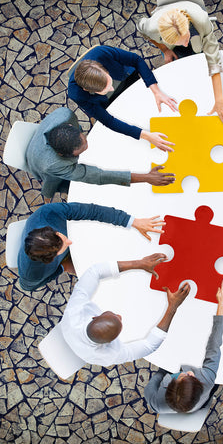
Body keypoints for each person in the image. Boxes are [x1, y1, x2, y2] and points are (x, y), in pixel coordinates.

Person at [60, 254, 190, 367]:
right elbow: (150, 346)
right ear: (110, 343)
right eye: (119, 319)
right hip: (71, 341)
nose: (119, 315)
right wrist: (172, 307)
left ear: (93, 318)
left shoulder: (74, 313)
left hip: (70, 334)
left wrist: (140, 263)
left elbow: (94, 271)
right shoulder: (108, 355)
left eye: (113, 314)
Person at [25, 107, 175, 199]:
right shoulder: (53, 164)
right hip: (39, 164)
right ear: (62, 155)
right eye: (80, 152)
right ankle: (48, 192)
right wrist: (146, 177)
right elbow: (98, 176)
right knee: (56, 182)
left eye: (84, 140)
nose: (87, 147)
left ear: (70, 126)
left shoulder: (65, 114)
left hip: (42, 137)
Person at [17, 202, 165, 292]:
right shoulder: (31, 273)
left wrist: (133, 222)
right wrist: (63, 268)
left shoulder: (47, 212)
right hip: (69, 260)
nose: (69, 242)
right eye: (63, 246)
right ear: (51, 259)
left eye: (62, 237)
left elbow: (92, 211)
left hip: (81, 236)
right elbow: (28, 286)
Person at [137, 1, 223, 126]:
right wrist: (165, 49)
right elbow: (143, 32)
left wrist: (219, 100)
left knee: (200, 53)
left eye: (186, 38)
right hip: (171, 46)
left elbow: (214, 61)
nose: (186, 44)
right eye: (180, 42)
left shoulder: (202, 21)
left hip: (197, 34)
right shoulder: (150, 27)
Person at [144, 279, 223, 414]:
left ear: (169, 387)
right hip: (198, 403)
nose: (188, 372)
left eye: (181, 376)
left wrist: (164, 370)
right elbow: (214, 344)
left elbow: (154, 381)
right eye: (192, 377)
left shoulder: (157, 403)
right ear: (199, 385)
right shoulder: (207, 379)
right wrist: (222, 304)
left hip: (186, 395)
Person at [68, 45, 177, 151]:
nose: (111, 88)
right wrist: (146, 136)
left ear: (104, 70)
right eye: (105, 89)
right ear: (88, 90)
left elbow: (136, 60)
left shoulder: (101, 52)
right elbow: (108, 120)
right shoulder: (76, 95)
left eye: (109, 82)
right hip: (109, 102)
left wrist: (156, 91)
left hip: (126, 78)